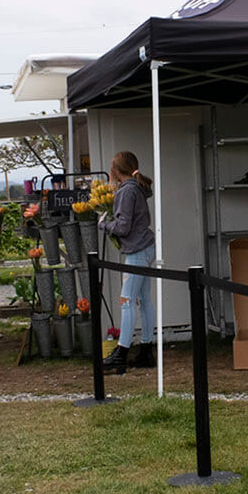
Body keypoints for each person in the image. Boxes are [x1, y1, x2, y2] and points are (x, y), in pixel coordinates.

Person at [98, 151, 156, 374]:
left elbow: (123, 227)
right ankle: (145, 350)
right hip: (147, 247)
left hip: (136, 251)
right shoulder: (139, 188)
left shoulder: (126, 192)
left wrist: (104, 225)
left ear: (115, 171)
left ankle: (121, 353)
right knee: (144, 301)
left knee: (126, 301)